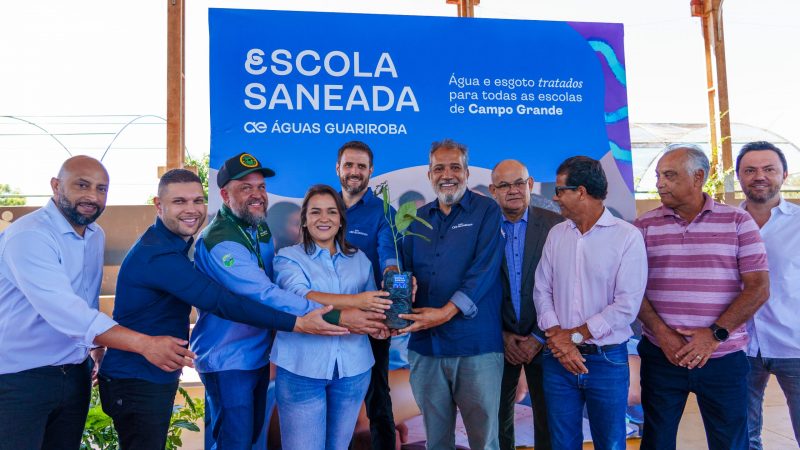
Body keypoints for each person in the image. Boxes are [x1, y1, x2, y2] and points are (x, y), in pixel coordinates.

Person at [98, 169, 345, 449]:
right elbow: (224, 302)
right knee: (234, 442)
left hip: (164, 369)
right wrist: (298, 322)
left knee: (244, 439)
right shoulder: (162, 255)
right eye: (179, 202)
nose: (191, 210)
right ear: (159, 205)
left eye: (197, 201)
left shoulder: (185, 242)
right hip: (141, 375)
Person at [190, 152, 388, 449]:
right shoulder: (223, 241)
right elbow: (273, 294)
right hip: (230, 357)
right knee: (236, 440)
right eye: (246, 187)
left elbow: (371, 308)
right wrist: (344, 314)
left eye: (260, 187)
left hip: (264, 354)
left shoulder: (260, 229)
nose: (257, 194)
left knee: (251, 437)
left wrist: (379, 323)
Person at [0, 156, 194, 449]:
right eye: (82, 185)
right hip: (20, 381)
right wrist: (145, 344)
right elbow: (65, 310)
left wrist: (97, 347)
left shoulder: (94, 235)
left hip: (75, 374)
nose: (92, 196)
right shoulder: (30, 235)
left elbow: (85, 298)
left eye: (101, 189)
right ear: (56, 186)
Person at [635, 144, 770, 450]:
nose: (659, 183)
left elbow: (758, 288)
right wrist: (662, 333)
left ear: (697, 178)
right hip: (662, 357)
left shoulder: (737, 222)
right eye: (658, 176)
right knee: (656, 441)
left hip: (722, 358)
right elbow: (632, 290)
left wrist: (713, 335)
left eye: (669, 175)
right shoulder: (643, 227)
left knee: (731, 443)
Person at [533, 156, 647, 450]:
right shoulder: (557, 234)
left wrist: (572, 337)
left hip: (606, 361)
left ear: (581, 191)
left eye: (559, 190)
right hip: (558, 361)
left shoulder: (627, 237)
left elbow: (626, 305)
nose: (555, 198)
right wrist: (559, 337)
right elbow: (541, 290)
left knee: (610, 443)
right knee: (562, 444)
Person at [399, 139, 505, 450]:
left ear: (467, 172)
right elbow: (404, 271)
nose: (448, 174)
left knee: (484, 441)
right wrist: (400, 289)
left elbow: (483, 271)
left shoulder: (487, 211)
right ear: (429, 174)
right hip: (425, 349)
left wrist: (444, 312)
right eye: (439, 168)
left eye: (455, 167)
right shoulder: (415, 218)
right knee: (436, 440)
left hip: (476, 348)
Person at [272, 184, 387, 450]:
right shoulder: (287, 258)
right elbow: (300, 298)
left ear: (340, 219)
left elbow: (372, 308)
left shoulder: (359, 258)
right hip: (301, 371)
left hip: (353, 372)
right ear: (304, 219)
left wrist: (378, 326)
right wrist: (356, 303)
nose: (324, 219)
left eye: (331, 212)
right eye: (315, 212)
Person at [488, 159, 563, 450]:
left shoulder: (556, 225)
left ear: (530, 185)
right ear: (493, 191)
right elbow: (480, 287)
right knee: (497, 418)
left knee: (549, 419)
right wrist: (502, 335)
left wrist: (538, 337)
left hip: (546, 338)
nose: (513, 190)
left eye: (519, 183)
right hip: (499, 340)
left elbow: (566, 286)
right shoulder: (482, 229)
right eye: (504, 185)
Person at [736, 141, 800, 449]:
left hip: (795, 345)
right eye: (750, 170)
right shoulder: (726, 225)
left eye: (768, 169)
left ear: (784, 175)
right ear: (739, 177)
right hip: (739, 346)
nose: (759, 176)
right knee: (743, 435)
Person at [336, 140, 400, 449]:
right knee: (333, 396)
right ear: (338, 168)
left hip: (372, 318)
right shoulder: (325, 206)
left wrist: (391, 274)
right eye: (349, 165)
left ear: (371, 171)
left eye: (361, 166)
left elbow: (390, 254)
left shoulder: (385, 211)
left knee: (377, 395)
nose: (354, 172)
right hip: (328, 317)